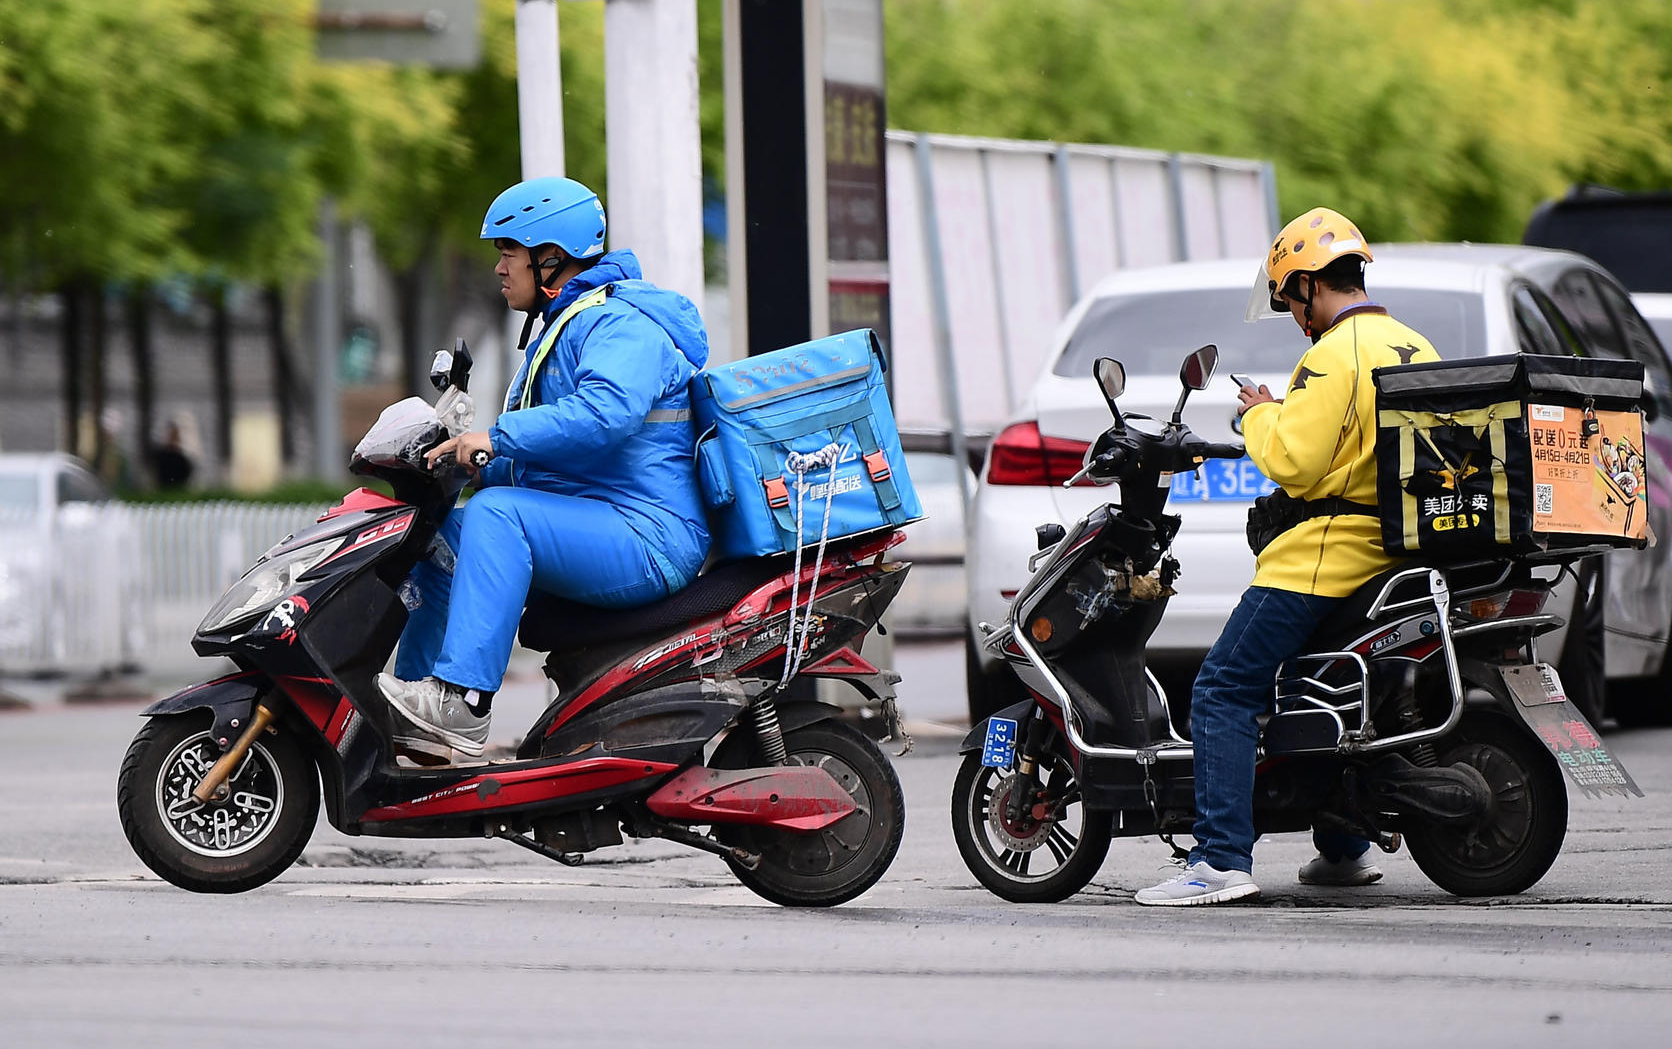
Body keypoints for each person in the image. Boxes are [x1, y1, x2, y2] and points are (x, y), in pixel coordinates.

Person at [1136, 207, 1440, 906]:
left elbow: (1297, 465)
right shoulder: (1412, 345)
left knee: (1223, 685)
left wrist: (1256, 415)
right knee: (1325, 689)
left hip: (1325, 557)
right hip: (1392, 556)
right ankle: (1342, 849)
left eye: (1291, 298)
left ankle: (1218, 859)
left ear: (1309, 286)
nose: (1294, 314)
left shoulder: (1332, 354)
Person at [376, 176, 711, 762]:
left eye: (509, 253)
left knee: (498, 517)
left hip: (648, 535)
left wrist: (494, 439)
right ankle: (415, 714)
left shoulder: (620, 325)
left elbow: (604, 415)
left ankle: (463, 702)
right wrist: (473, 460)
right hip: (602, 517)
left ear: (550, 258)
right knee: (440, 540)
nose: (500, 269)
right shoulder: (570, 325)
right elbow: (562, 460)